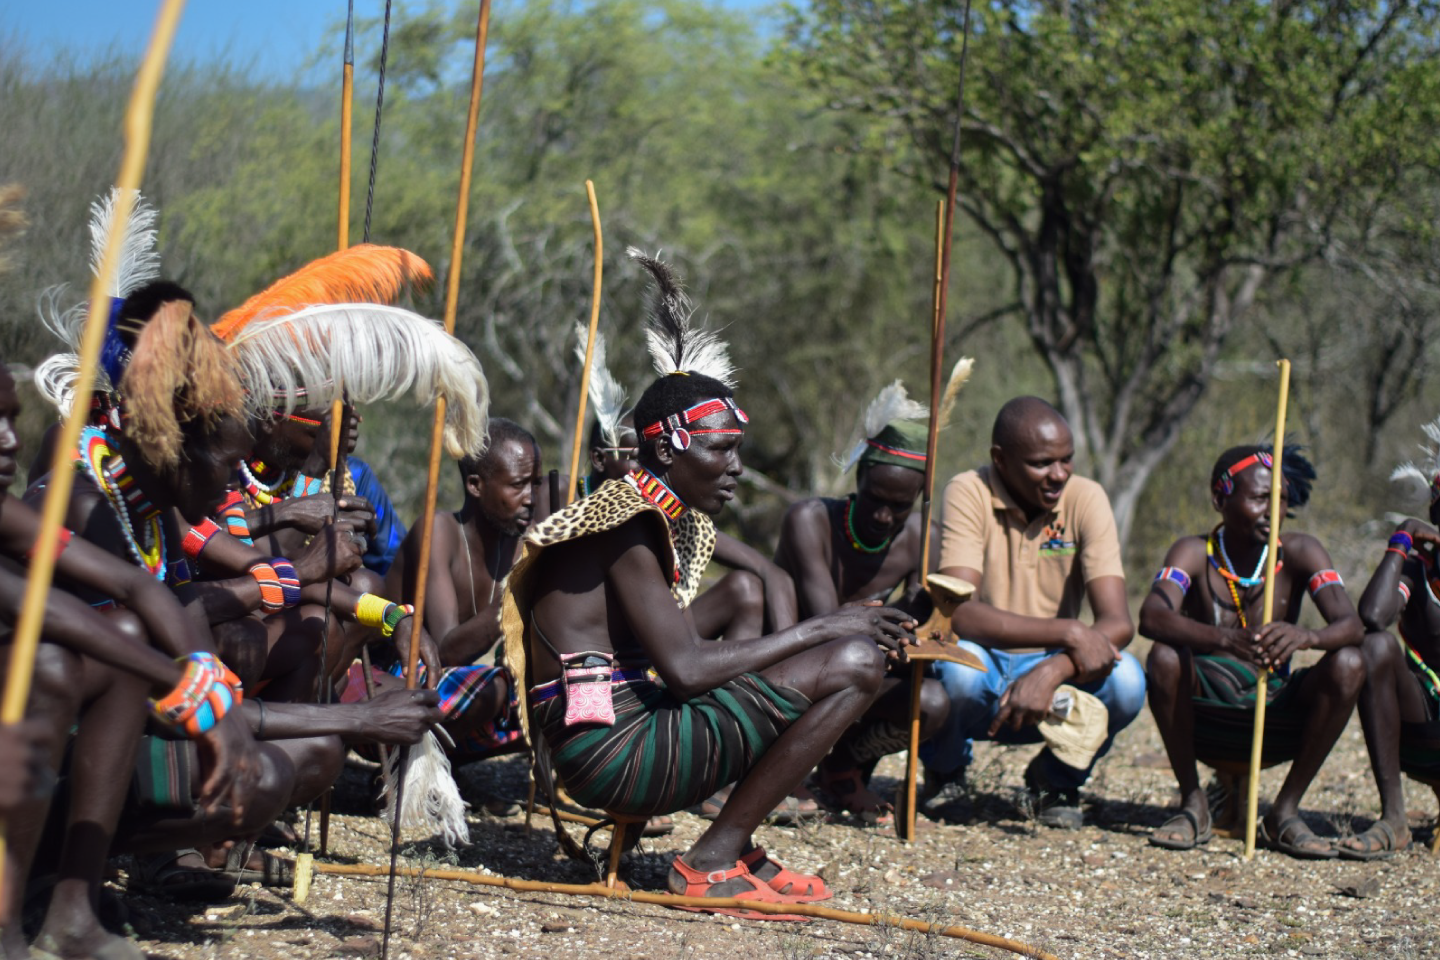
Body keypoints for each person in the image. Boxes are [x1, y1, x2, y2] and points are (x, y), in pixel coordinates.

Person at [503, 251, 914, 917]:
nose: (737, 467)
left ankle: (737, 845)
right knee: (855, 662)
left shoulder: (646, 515)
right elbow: (688, 670)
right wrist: (825, 628)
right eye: (721, 449)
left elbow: (687, 659)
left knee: (827, 659)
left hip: (627, 732)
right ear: (668, 449)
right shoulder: (623, 524)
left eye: (737, 450)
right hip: (613, 753)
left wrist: (806, 647)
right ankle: (711, 859)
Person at [921, 396, 1144, 828]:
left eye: (1066, 459)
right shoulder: (969, 490)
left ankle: (1055, 780)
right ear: (1000, 459)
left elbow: (1118, 622)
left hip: (1055, 666)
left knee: (1128, 682)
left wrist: (1055, 668)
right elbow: (958, 613)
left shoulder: (1086, 498)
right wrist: (1071, 632)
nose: (1059, 474)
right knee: (958, 672)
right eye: (1042, 463)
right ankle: (946, 773)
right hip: (985, 659)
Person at [1139, 444, 1364, 857]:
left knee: (1350, 663)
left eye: (1281, 499)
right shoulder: (1194, 552)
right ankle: (1193, 802)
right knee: (1164, 656)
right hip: (1206, 711)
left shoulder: (1300, 552)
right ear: (1219, 498)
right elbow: (1152, 616)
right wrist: (1226, 640)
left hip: (1274, 710)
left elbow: (1351, 626)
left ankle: (1285, 811)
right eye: (1260, 498)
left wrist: (1306, 637)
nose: (1273, 511)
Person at [773, 382, 949, 821]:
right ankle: (779, 770)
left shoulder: (921, 538)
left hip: (864, 670)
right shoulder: (810, 520)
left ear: (917, 500)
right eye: (874, 499)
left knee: (931, 702)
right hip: (793, 667)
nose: (884, 517)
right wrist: (891, 621)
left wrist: (925, 613)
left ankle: (842, 767)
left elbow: (914, 629)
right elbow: (825, 625)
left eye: (900, 506)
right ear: (859, 479)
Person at [380, 417, 539, 764]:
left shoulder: (520, 546)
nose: (531, 498)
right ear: (475, 485)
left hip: (448, 691)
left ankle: (444, 764)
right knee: (494, 687)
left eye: (535, 484)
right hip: (387, 687)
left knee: (549, 696)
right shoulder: (437, 532)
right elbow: (446, 652)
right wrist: (513, 596)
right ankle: (407, 767)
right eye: (518, 485)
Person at [1347, 423, 1440, 859]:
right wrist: (1401, 541)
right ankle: (1394, 819)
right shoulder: (1419, 571)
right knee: (1375, 647)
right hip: (1426, 724)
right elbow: (1373, 615)